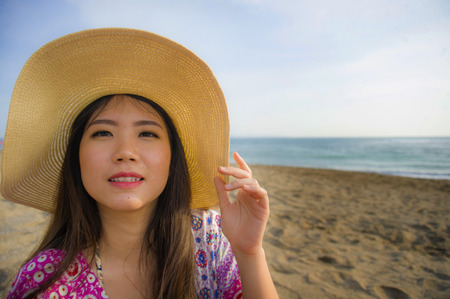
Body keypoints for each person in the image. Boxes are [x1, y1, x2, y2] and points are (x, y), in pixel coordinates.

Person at [1, 28, 278, 298]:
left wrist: (249, 252)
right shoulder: (44, 282)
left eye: (147, 133)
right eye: (102, 133)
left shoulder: (210, 240)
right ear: (76, 156)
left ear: (173, 157)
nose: (126, 152)